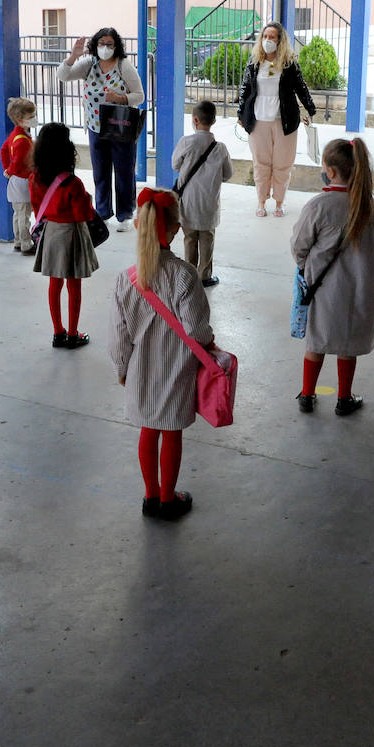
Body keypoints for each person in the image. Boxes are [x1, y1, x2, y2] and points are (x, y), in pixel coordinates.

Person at [110, 189, 213, 520]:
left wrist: (122, 368)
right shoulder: (184, 275)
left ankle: (150, 496)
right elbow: (196, 330)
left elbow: (118, 336)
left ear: (139, 225)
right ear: (176, 229)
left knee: (148, 430)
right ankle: (169, 499)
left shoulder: (126, 279)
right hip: (177, 367)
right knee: (171, 431)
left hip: (140, 369)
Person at [291, 138, 374, 416]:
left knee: (316, 341)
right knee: (348, 345)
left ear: (331, 172)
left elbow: (299, 246)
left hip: (324, 289)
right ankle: (344, 398)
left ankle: (307, 394)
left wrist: (307, 270)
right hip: (360, 290)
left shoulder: (319, 205)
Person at [56, 27, 146, 230]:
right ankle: (102, 211)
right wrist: (73, 57)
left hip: (120, 129)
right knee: (100, 172)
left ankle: (125, 215)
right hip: (96, 128)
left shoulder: (124, 66)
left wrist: (121, 98)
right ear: (95, 45)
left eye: (110, 44)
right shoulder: (89, 64)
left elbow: (139, 95)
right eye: (102, 44)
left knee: (124, 172)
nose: (105, 48)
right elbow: (63, 76)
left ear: (116, 46)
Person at [30, 123, 100, 349]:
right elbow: (83, 215)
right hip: (72, 235)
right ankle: (73, 333)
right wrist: (88, 201)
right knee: (74, 285)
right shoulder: (73, 183)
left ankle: (57, 332)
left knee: (54, 283)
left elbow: (36, 207)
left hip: (51, 233)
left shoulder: (36, 178)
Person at [238, 22, 316, 218]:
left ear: (280, 40)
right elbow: (245, 89)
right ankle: (261, 201)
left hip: (285, 120)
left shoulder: (289, 64)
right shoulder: (254, 63)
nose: (268, 40)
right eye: (265, 36)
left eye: (272, 37)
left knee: (283, 163)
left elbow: (301, 88)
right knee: (261, 163)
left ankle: (279, 202)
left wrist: (310, 109)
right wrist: (240, 114)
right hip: (258, 120)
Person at [171, 100, 234, 287]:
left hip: (189, 202)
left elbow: (175, 165)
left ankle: (190, 273)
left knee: (190, 238)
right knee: (207, 238)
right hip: (209, 204)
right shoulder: (220, 148)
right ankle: (205, 275)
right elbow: (228, 174)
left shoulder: (186, 142)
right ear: (213, 121)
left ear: (195, 120)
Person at [1, 97, 38, 256]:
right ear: (19, 119)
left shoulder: (15, 134)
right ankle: (25, 243)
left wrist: (6, 169)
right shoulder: (22, 141)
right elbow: (17, 162)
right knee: (24, 214)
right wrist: (10, 169)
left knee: (18, 213)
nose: (34, 120)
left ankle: (17, 241)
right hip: (22, 180)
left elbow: (3, 150)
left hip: (16, 181)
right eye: (30, 117)